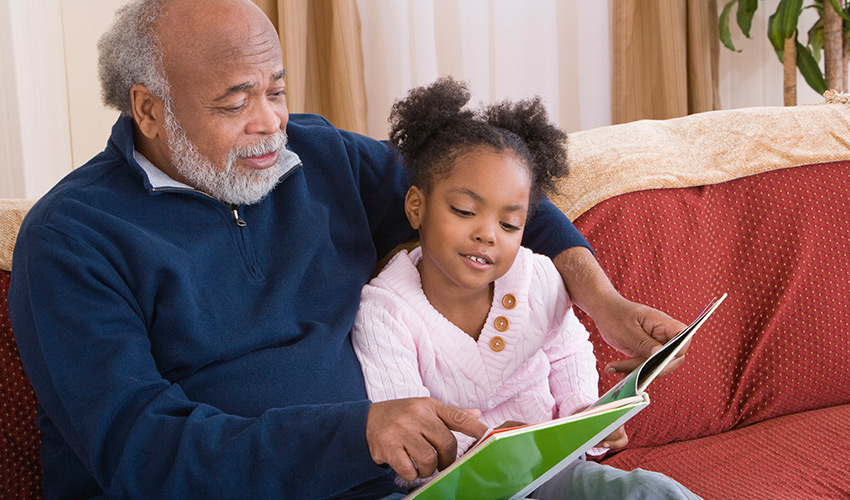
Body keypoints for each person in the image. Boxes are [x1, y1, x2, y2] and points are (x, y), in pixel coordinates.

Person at [8, 0, 686, 498]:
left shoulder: (319, 155)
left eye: (276, 90)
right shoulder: (72, 239)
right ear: (149, 109)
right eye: (235, 103)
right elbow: (141, 453)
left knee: (646, 494)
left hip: (411, 486)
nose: (270, 122)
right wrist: (356, 433)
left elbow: (487, 194)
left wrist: (602, 301)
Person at [352, 77, 701, 499]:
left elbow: (568, 352)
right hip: (458, 488)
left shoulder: (537, 277)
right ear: (416, 207)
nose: (487, 234)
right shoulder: (384, 311)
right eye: (464, 211)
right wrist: (490, 450)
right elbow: (407, 434)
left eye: (509, 223)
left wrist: (584, 415)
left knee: (648, 490)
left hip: (549, 473)